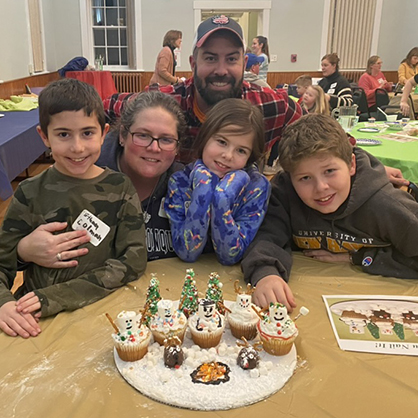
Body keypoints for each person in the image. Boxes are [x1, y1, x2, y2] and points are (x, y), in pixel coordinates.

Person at [0, 79, 146, 338]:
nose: (77, 147)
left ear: (104, 132)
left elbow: (133, 260)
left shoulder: (120, 187)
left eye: (88, 133)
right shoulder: (29, 192)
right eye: (63, 134)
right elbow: (2, 262)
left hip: (103, 315)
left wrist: (57, 296)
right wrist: (4, 304)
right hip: (36, 320)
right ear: (44, 136)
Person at [241, 114, 418, 311]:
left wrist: (360, 257)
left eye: (330, 171)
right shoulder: (284, 194)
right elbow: (267, 234)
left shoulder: (387, 205)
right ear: (291, 179)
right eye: (305, 178)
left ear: (351, 164)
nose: (321, 187)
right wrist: (266, 272)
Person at [104, 16, 303, 166]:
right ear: (193, 64)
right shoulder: (165, 104)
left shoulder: (269, 105)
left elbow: (314, 134)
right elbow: (104, 107)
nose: (221, 70)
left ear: (244, 63)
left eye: (232, 59)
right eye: (210, 58)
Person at [17, 91, 186, 264]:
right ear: (122, 135)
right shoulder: (78, 175)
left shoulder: (186, 188)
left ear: (177, 147)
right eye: (142, 135)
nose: (154, 148)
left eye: (166, 139)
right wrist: (22, 252)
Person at [164, 99, 270, 265]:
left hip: (235, 280)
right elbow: (187, 252)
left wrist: (222, 198)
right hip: (186, 279)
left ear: (250, 157)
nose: (228, 155)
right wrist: (203, 190)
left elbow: (230, 256)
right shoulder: (180, 181)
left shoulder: (256, 187)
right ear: (206, 137)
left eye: (241, 150)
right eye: (222, 142)